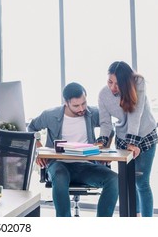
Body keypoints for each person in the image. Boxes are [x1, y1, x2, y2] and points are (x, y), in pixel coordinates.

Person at [28, 82, 118, 217]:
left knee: (114, 179)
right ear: (66, 102)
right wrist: (40, 152)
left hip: (86, 166)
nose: (82, 108)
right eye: (76, 105)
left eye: (84, 103)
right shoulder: (50, 115)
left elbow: (109, 128)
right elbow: (31, 128)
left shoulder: (92, 113)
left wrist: (104, 147)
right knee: (59, 177)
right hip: (59, 165)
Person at [97, 61, 157, 217]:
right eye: (110, 82)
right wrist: (101, 142)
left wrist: (133, 142)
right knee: (128, 182)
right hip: (124, 138)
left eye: (117, 84)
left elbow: (135, 115)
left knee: (141, 183)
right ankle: (134, 218)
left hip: (145, 134)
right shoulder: (103, 95)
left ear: (126, 82)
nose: (113, 87)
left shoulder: (138, 83)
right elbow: (105, 123)